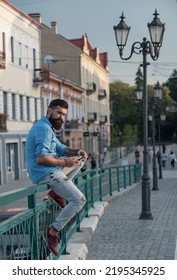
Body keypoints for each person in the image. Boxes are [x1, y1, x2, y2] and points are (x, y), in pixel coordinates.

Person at [25, 99, 88, 256]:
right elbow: (41, 158)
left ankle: (57, 193)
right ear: (49, 111)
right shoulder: (43, 129)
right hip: (45, 173)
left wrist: (76, 152)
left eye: (64, 114)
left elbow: (59, 147)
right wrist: (65, 162)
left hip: (51, 170)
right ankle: (52, 232)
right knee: (79, 200)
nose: (61, 117)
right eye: (59, 112)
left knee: (79, 161)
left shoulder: (47, 128)